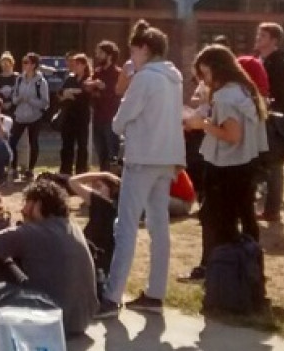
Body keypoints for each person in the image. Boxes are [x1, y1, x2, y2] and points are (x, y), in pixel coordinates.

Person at [98, 21, 185, 318]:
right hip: (168, 156)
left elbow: (120, 119)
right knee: (159, 226)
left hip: (142, 156)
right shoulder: (175, 77)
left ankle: (112, 295)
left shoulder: (146, 77)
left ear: (144, 49)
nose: (131, 57)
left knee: (127, 225)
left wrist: (122, 121)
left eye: (134, 51)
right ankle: (155, 293)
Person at [180, 46, 270, 283]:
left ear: (217, 70)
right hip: (245, 163)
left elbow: (232, 135)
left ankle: (215, 267)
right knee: (246, 216)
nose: (204, 80)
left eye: (206, 74)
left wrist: (202, 125)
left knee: (216, 218)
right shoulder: (244, 90)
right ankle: (250, 269)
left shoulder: (225, 97)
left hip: (225, 165)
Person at [0, 179, 99, 337]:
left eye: (26, 203)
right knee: (8, 257)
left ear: (37, 206)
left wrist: (7, 237)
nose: (22, 209)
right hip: (80, 321)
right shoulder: (73, 227)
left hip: (52, 321)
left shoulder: (29, 232)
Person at [255, 23, 284, 223]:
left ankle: (272, 209)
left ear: (274, 40)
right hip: (255, 117)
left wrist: (268, 107)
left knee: (274, 164)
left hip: (273, 120)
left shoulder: (279, 63)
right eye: (258, 34)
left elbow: (282, 95)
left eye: (263, 35)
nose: (258, 38)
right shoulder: (257, 60)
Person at [8, 52, 49, 181]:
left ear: (34, 65)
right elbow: (14, 98)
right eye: (23, 62)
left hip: (34, 117)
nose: (24, 65)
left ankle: (30, 170)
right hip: (20, 115)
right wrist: (18, 99)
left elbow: (45, 102)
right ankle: (14, 168)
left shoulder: (41, 82)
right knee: (12, 141)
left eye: (26, 62)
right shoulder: (19, 79)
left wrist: (30, 100)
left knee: (33, 142)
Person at [89, 41, 123, 171]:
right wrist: (91, 87)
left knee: (112, 154)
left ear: (109, 55)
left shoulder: (118, 73)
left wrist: (104, 87)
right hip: (98, 117)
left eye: (100, 53)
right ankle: (102, 179)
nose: (97, 56)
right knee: (100, 153)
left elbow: (117, 93)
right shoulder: (97, 72)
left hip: (111, 118)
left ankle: (113, 183)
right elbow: (90, 89)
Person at [58, 54, 94, 175]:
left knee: (82, 145)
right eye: (74, 64)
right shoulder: (70, 78)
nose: (75, 67)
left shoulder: (89, 79)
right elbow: (60, 92)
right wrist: (66, 93)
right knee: (67, 144)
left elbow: (86, 93)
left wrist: (73, 91)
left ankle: (81, 171)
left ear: (84, 65)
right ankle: (65, 170)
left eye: (78, 64)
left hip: (82, 116)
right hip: (69, 115)